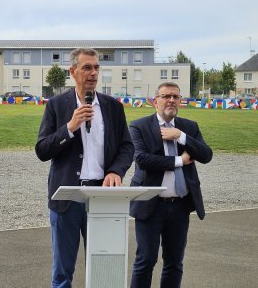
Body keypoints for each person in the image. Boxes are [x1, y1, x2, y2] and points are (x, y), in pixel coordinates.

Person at [35, 47, 134, 287]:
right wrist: (70, 126)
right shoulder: (57, 106)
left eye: (97, 67)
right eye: (87, 67)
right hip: (67, 198)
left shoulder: (113, 107)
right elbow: (42, 150)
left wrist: (115, 171)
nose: (93, 73)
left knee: (104, 267)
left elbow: (126, 148)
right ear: (73, 71)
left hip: (103, 196)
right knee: (62, 271)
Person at [129, 82, 213, 288]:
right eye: (166, 96)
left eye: (176, 97)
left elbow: (206, 155)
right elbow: (142, 159)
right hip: (150, 204)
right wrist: (180, 161)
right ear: (155, 101)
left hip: (179, 206)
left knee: (174, 262)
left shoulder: (189, 127)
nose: (171, 101)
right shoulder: (139, 126)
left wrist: (180, 136)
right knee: (146, 260)